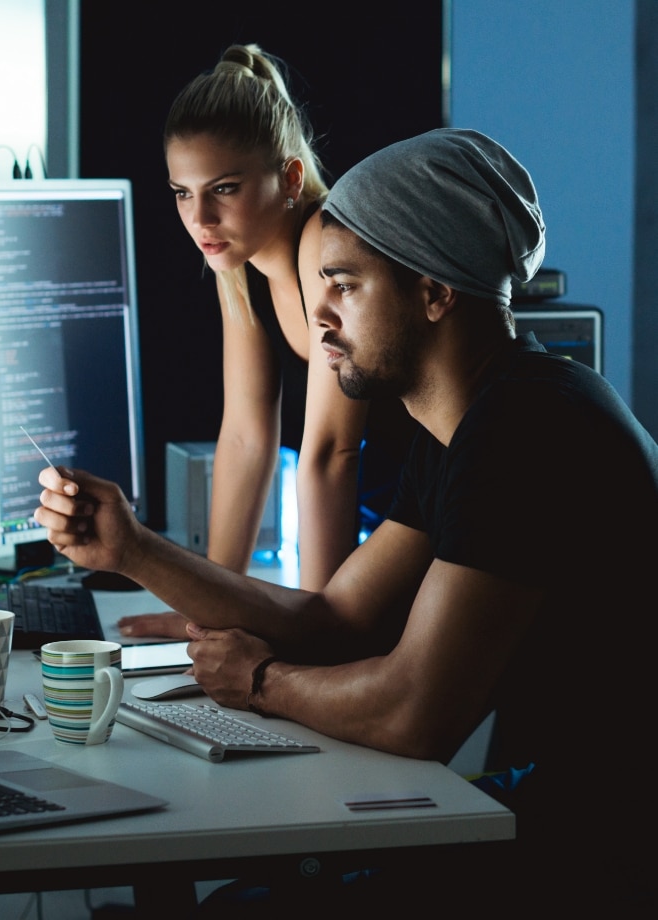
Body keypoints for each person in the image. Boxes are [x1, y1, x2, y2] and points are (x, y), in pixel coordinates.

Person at [35, 128, 658, 913]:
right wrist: (130, 548)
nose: (318, 314)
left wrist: (260, 682)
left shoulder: (525, 431)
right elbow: (338, 617)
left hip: (604, 854)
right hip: (564, 815)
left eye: (345, 284)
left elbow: (414, 713)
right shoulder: (472, 422)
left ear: (435, 293)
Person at [117, 43, 415, 640]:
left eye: (223, 189)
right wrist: (208, 606)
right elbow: (247, 435)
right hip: (382, 528)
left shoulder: (326, 245)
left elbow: (332, 453)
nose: (200, 218)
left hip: (439, 510)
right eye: (182, 192)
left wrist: (315, 630)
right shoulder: (238, 264)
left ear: (290, 177)